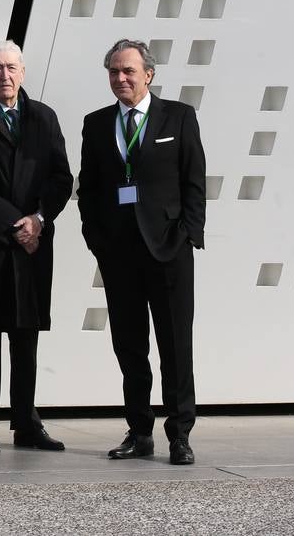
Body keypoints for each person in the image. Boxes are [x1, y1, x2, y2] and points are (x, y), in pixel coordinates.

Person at [78, 38, 205, 466]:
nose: (120, 78)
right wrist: (96, 239)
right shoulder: (97, 124)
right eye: (114, 71)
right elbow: (90, 190)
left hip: (169, 249)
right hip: (119, 254)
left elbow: (194, 180)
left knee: (174, 345)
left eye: (128, 71)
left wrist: (189, 232)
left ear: (148, 74)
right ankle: (139, 430)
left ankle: (180, 434)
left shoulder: (179, 117)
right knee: (129, 346)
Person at [0, 40, 73, 454]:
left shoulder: (43, 117)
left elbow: (61, 176)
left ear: (23, 72)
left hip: (32, 247)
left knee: (26, 336)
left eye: (11, 68)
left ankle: (26, 424)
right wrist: (13, 221)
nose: (4, 76)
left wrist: (38, 220)